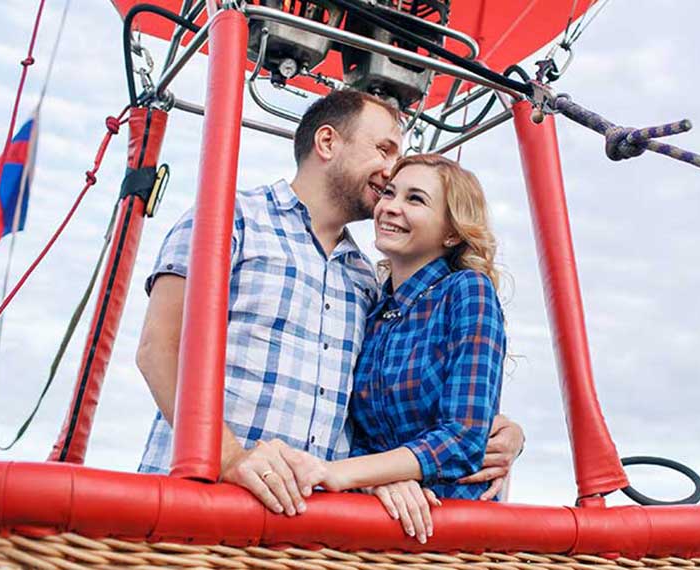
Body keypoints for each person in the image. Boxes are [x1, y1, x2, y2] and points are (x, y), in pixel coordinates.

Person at [136, 89, 523, 518]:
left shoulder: (365, 280)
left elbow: (386, 407)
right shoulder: (231, 219)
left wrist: (505, 433)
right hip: (204, 498)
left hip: (309, 521)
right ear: (327, 143)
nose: (390, 169)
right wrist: (231, 458)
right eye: (384, 149)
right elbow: (159, 350)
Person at [304, 154, 508, 544]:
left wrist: (346, 473)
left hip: (445, 527)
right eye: (389, 193)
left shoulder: (467, 291)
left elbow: (464, 438)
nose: (391, 208)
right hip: (377, 521)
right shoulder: (375, 308)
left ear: (451, 233)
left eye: (415, 200)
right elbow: (359, 432)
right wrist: (377, 481)